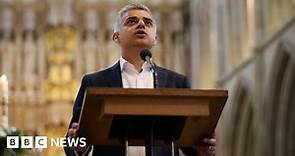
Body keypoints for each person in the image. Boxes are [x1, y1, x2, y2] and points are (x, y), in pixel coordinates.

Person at [65, 3, 216, 156]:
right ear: (116, 37)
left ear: (155, 39)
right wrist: (78, 146)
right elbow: (71, 143)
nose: (141, 24)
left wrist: (202, 149)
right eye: (132, 21)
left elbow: (190, 145)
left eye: (148, 22)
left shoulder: (177, 83)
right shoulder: (94, 83)